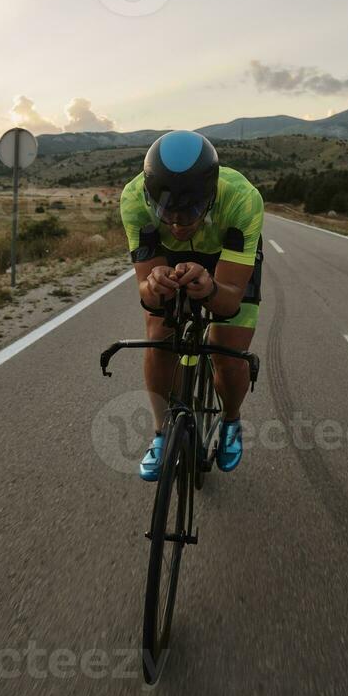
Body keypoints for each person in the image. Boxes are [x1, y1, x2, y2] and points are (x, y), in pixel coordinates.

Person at [119, 130, 264, 480]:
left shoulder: (242, 199)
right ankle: (160, 433)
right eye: (166, 212)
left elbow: (228, 301)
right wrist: (153, 284)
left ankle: (230, 419)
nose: (178, 224)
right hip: (169, 258)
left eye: (192, 212)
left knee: (225, 352)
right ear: (151, 197)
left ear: (211, 197)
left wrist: (212, 288)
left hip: (225, 261)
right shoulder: (133, 200)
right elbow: (147, 293)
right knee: (159, 335)